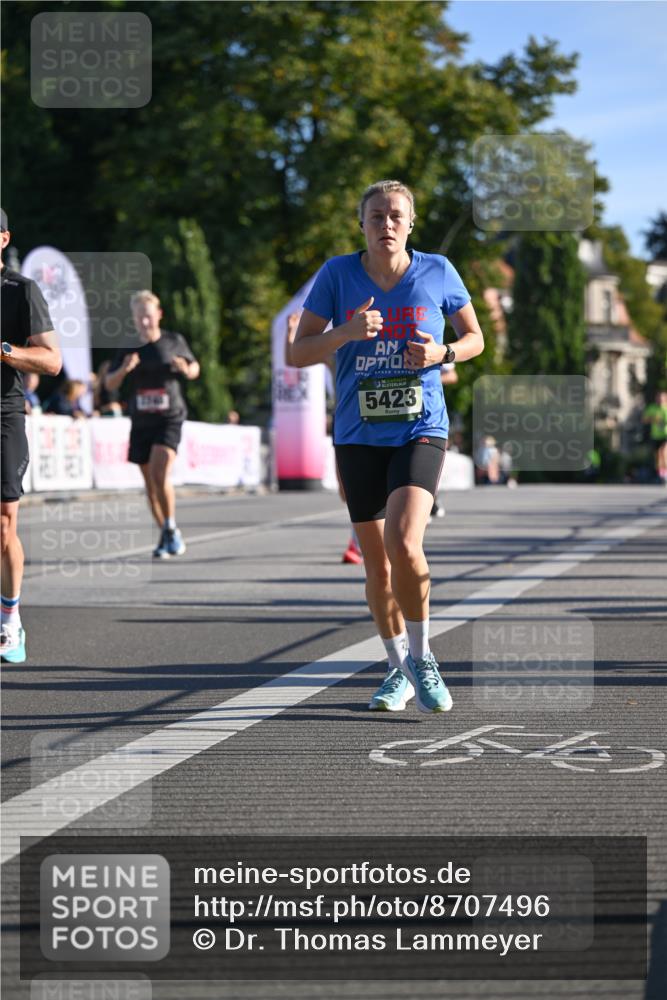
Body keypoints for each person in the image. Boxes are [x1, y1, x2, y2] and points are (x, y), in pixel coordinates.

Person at [290, 180, 484, 712]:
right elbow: (299, 352)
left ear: (411, 223)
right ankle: (396, 668)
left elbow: (476, 339)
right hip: (357, 433)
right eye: (376, 216)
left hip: (420, 426)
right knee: (376, 566)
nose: (386, 225)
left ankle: (423, 659)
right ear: (362, 225)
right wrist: (345, 333)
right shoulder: (337, 275)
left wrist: (443, 352)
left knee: (404, 543)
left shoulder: (438, 271)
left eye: (396, 215)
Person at [1, 209, 62, 663]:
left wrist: (5, 351)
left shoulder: (21, 291)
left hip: (3, 413)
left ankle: (10, 621)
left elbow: (52, 360)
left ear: (3, 239)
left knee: (4, 522)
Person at [105, 290, 200, 558]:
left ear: (158, 315)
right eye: (139, 318)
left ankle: (169, 527)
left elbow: (195, 369)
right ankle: (166, 533)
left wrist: (185, 368)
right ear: (134, 320)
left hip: (170, 416)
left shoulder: (173, 341)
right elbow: (109, 383)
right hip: (141, 419)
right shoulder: (128, 347)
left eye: (148, 316)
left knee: (160, 472)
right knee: (149, 483)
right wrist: (124, 369)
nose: (144, 322)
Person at [284, 311, 363, 565]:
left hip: (380, 420)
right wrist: (291, 333)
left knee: (375, 486)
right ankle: (364, 534)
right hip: (346, 420)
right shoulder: (336, 351)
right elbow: (294, 359)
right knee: (346, 488)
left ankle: (359, 541)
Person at [430, 362, 458, 519]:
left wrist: (428, 379)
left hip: (429, 416)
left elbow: (452, 375)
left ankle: (431, 499)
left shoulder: (431, 338)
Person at [642, 389, 667, 484]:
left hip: (665, 435)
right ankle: (662, 475)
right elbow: (644, 419)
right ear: (656, 398)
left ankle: (665, 474)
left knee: (664, 452)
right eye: (659, 397)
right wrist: (653, 419)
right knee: (658, 456)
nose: (660, 399)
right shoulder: (652, 408)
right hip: (655, 436)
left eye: (662, 397)